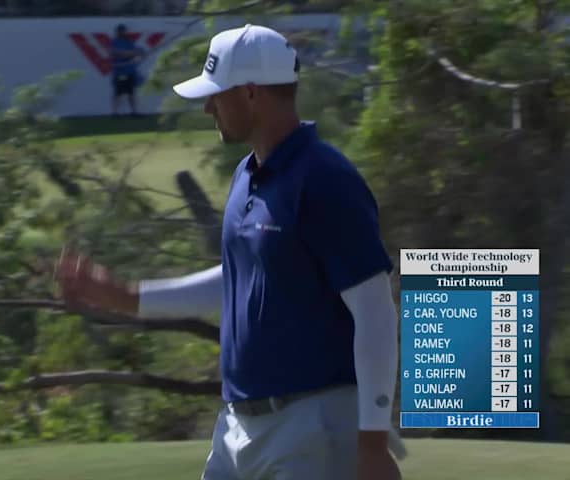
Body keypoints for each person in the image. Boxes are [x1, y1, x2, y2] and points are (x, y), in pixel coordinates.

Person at [55, 24, 403, 480]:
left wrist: (373, 442)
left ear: (252, 93)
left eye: (216, 95)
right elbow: (240, 277)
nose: (207, 107)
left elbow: (375, 312)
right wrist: (126, 297)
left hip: (311, 428)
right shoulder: (247, 175)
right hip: (237, 427)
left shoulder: (325, 179)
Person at [110, 24, 145, 116]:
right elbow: (116, 53)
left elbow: (138, 53)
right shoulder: (115, 42)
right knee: (118, 93)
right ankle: (115, 113)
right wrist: (131, 54)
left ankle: (134, 112)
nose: (123, 33)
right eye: (121, 31)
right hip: (120, 72)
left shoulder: (129, 42)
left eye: (124, 31)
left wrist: (134, 54)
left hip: (130, 71)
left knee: (131, 92)